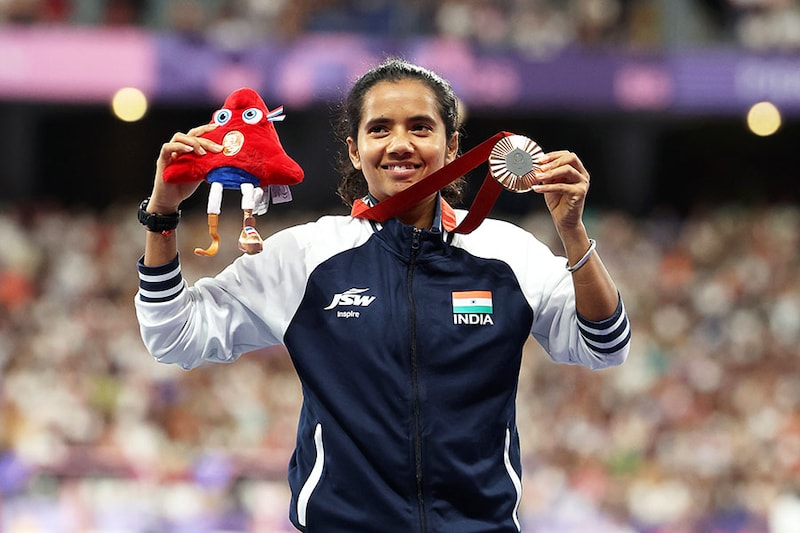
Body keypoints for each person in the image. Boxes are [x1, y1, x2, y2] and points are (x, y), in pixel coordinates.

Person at [135, 58, 631, 532]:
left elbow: (605, 345)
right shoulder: (306, 256)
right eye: (379, 129)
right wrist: (162, 213)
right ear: (355, 150)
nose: (400, 144)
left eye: (420, 127)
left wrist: (573, 233)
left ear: (452, 144)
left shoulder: (508, 254)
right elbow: (173, 335)